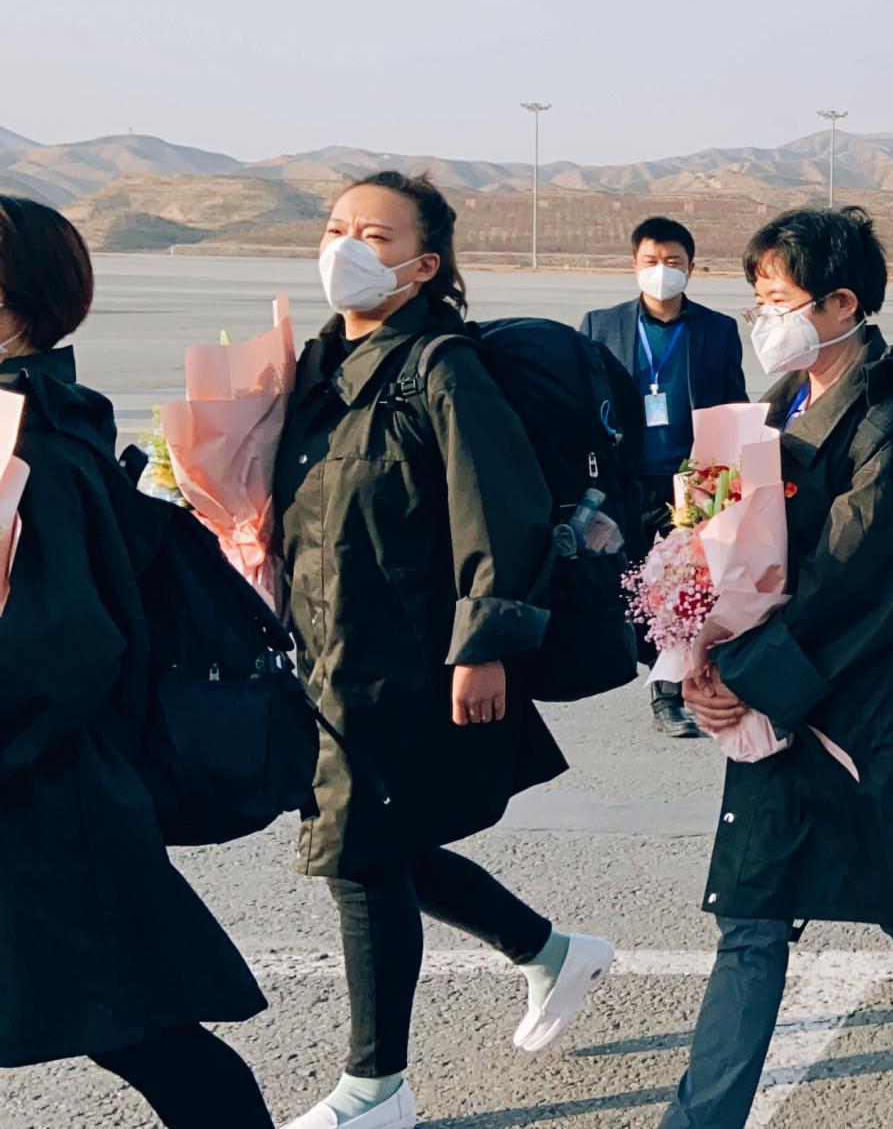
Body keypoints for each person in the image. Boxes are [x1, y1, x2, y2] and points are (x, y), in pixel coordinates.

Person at [667, 207, 893, 1129]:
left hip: (872, 709)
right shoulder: (781, 403)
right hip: (779, 693)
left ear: (843, 304)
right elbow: (730, 544)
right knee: (752, 915)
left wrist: (744, 670)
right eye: (756, 299)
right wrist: (698, 650)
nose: (764, 318)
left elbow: (867, 583)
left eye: (779, 299)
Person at [276, 172, 611, 1129]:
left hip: (408, 657)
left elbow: (497, 510)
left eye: (374, 235)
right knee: (382, 842)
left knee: (359, 855)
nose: (346, 246)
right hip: (324, 651)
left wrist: (485, 645)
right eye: (336, 228)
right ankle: (550, 951)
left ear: (423, 267)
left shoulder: (440, 367)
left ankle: (375, 1088)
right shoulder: (311, 369)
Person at [0, 196, 275, 1128]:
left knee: (145, 1029)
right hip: (46, 784)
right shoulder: (39, 422)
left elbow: (62, 646)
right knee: (136, 1023)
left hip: (44, 795)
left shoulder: (32, 449)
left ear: (16, 302)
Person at [578, 215, 749, 739]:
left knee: (684, 588)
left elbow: (734, 404)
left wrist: (732, 480)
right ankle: (654, 665)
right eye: (651, 261)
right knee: (629, 583)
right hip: (626, 480)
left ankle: (668, 692)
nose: (662, 270)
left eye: (673, 261)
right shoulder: (599, 325)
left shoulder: (717, 330)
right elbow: (582, 405)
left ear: (690, 268)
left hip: (691, 481)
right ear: (634, 265)